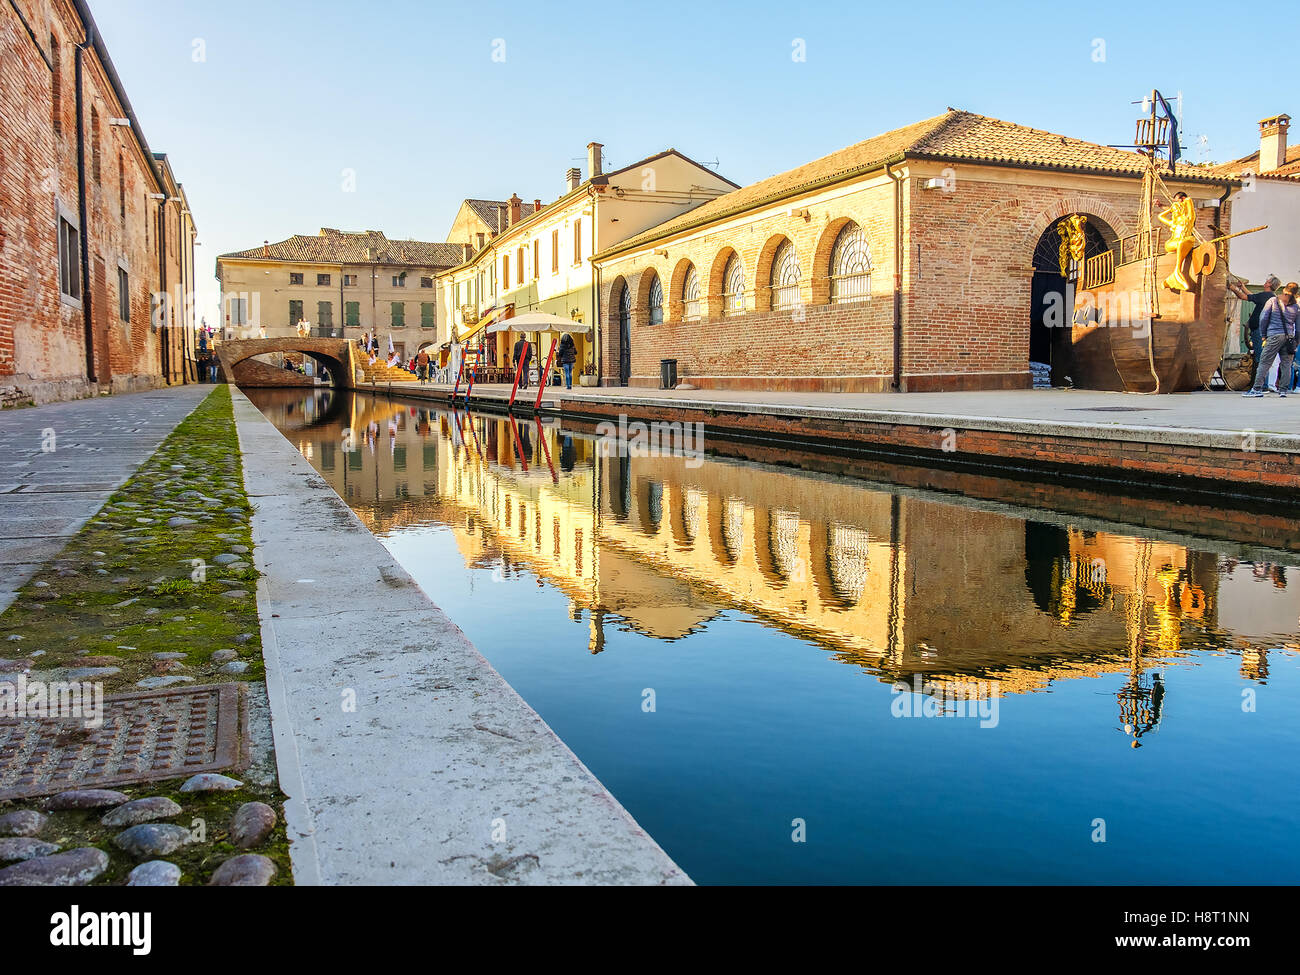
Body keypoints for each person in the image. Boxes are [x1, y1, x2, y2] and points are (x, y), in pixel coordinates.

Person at [1244, 283, 1299, 398]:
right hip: (1289, 338)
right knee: (1286, 364)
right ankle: (1283, 391)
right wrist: (1296, 342)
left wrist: (1263, 335)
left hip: (1273, 336)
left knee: (1265, 362)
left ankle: (1256, 389)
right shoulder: (1296, 307)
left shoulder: (1273, 301)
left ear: (1284, 290)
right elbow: (1298, 328)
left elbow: (1263, 318)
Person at [1229, 274, 1280, 369]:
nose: (1265, 282)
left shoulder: (1265, 295)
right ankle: (1260, 380)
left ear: (1269, 284)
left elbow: (1244, 297)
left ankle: (1260, 381)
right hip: (1264, 330)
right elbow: (1252, 296)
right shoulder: (1271, 296)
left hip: (1258, 330)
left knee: (1260, 356)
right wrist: (1242, 287)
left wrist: (1232, 288)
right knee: (1261, 354)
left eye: (1267, 281)